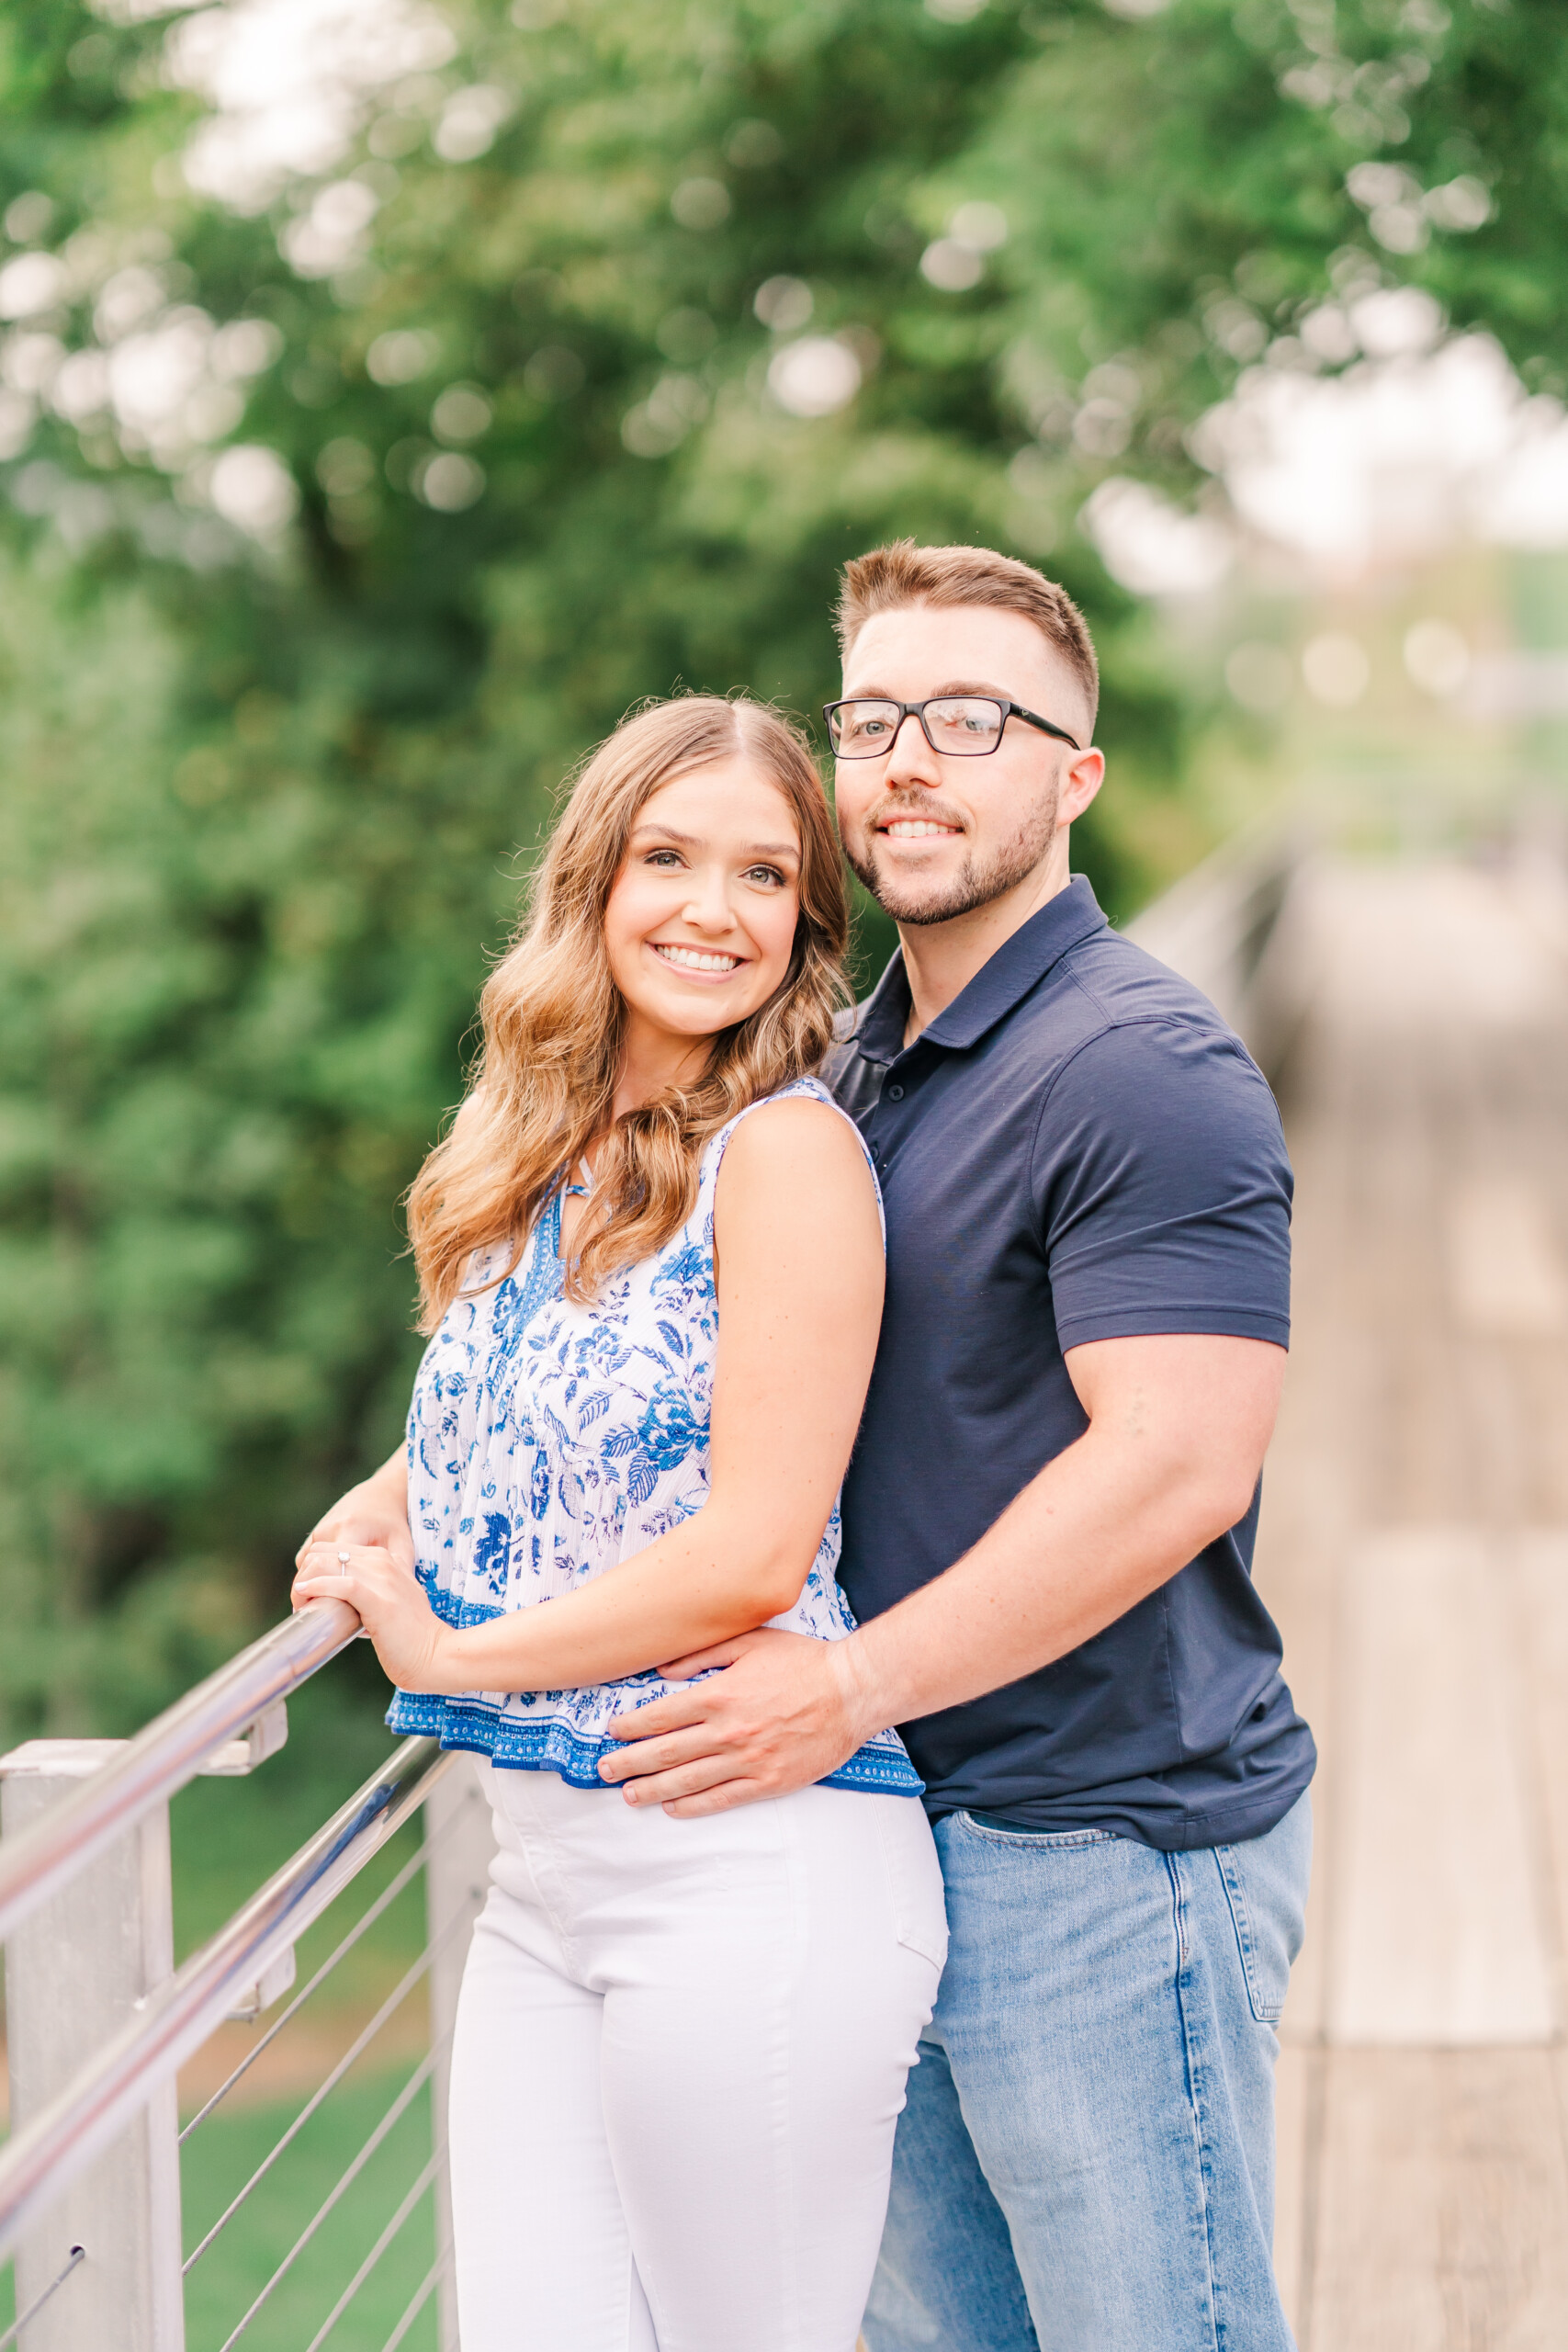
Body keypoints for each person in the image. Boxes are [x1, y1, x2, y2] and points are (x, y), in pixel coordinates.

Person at [597, 543, 1317, 2352]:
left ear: (1074, 773)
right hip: (884, 1830)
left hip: (1098, 1846)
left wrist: (843, 1687)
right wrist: (395, 1515)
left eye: (971, 720)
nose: (908, 759)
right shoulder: (842, 1065)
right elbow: (648, 1344)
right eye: (874, 717)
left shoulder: (1138, 1065)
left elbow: (1173, 1464)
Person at [292, 695, 947, 2352]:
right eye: (668, 856)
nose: (708, 911)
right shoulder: (532, 1153)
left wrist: (455, 1651)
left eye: (760, 874)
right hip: (546, 1883)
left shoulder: (787, 1157)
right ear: (595, 878)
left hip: (746, 1875)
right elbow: (497, 1415)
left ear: (808, 921)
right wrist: (371, 1519)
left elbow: (752, 1547)